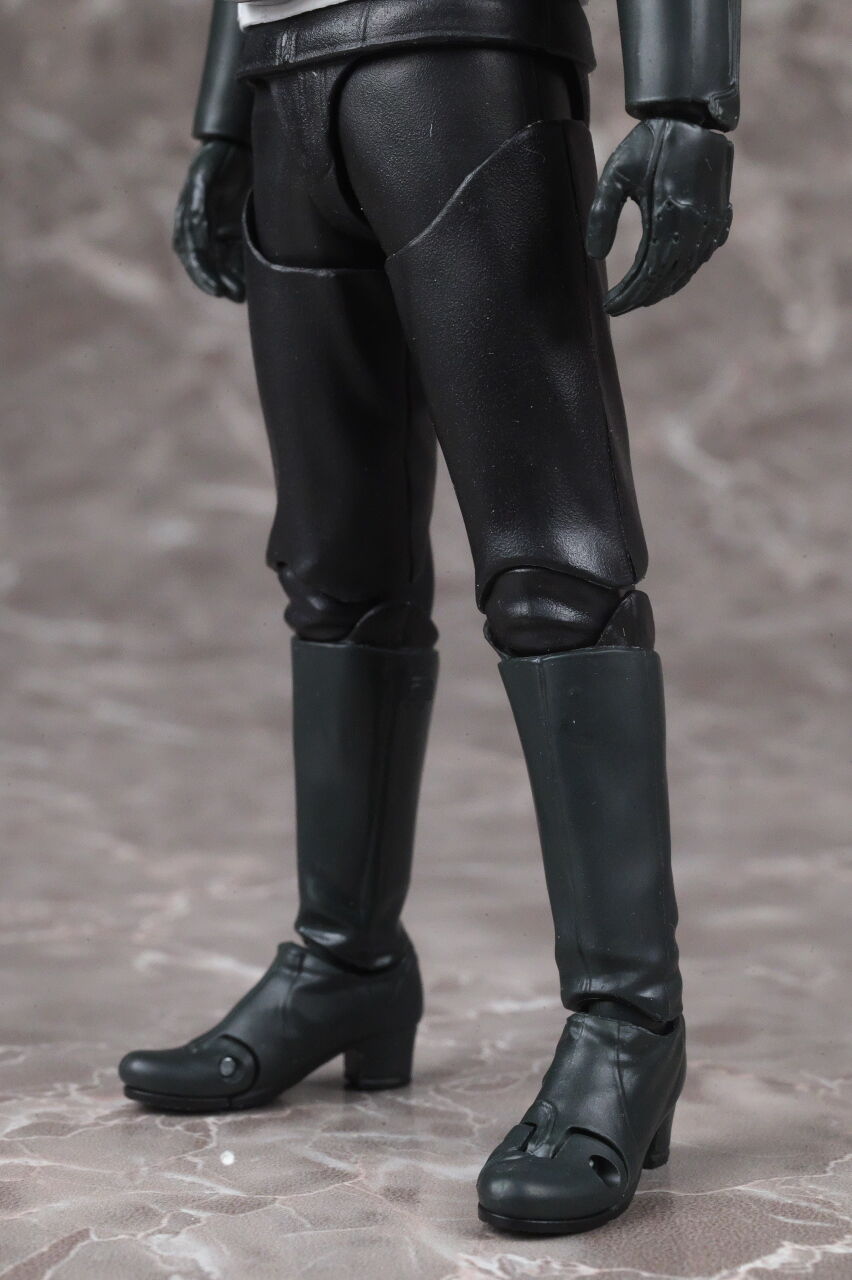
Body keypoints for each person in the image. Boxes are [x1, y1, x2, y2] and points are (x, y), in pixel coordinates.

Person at [119, 0, 740, 1235]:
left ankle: (629, 1019)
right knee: (334, 567)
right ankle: (344, 960)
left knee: (556, 566)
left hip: (462, 63)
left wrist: (687, 94)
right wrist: (227, 111)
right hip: (284, 80)